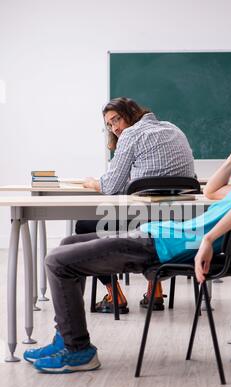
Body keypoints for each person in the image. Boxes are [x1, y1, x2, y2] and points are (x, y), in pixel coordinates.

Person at [24, 123, 231, 373]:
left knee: (57, 261)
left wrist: (208, 240)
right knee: (68, 244)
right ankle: (66, 339)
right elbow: (212, 191)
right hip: (157, 236)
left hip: (158, 246)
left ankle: (78, 350)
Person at [78, 97, 196, 314]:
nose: (115, 128)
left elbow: (112, 186)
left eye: (117, 120)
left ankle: (115, 295)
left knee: (84, 226)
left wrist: (93, 183)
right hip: (181, 220)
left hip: (144, 219)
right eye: (109, 125)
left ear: (131, 113)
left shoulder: (131, 134)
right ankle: (155, 289)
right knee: (150, 220)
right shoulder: (173, 129)